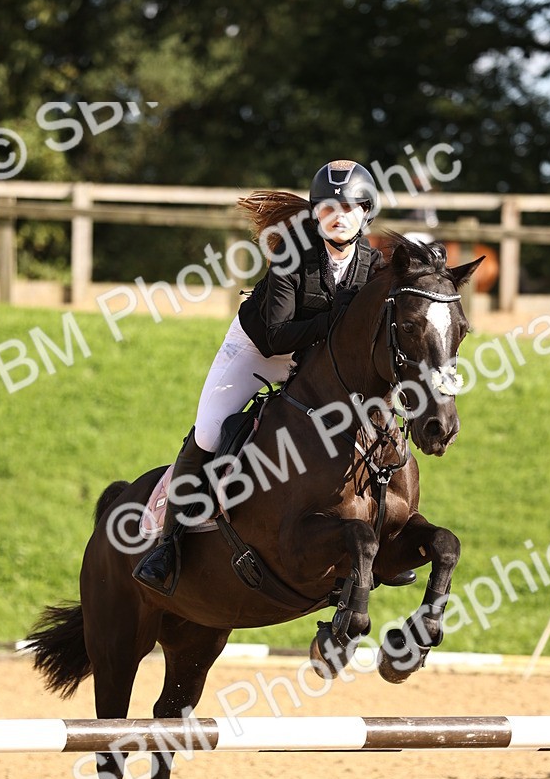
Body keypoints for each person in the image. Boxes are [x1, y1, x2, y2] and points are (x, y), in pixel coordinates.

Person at [133, 159, 384, 589]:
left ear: (366, 212)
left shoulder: (373, 265)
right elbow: (274, 336)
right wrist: (335, 324)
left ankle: (380, 535)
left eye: (349, 206)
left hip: (316, 359)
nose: (338, 216)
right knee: (211, 432)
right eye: (327, 207)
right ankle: (167, 545)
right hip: (259, 349)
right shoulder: (293, 254)